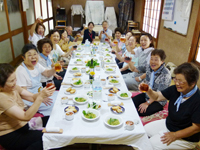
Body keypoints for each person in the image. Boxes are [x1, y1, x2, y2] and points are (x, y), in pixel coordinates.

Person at [143, 62, 200, 150]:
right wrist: (148, 90)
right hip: (170, 124)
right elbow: (157, 97)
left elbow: (196, 128)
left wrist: (175, 135)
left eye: (180, 81)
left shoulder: (197, 100)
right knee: (144, 130)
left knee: (152, 144)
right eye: (176, 79)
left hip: (186, 138)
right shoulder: (176, 89)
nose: (177, 83)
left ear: (192, 83)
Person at [0, 63, 55, 150]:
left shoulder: (13, 88)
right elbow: (25, 117)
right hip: (11, 135)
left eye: (15, 79)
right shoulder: (2, 98)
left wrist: (43, 93)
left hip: (23, 126)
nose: (15, 83)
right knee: (47, 138)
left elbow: (32, 97)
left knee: (51, 119)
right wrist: (40, 97)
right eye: (11, 81)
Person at [16, 44, 57, 116]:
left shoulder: (36, 65)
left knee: (59, 97)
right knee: (53, 106)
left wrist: (55, 69)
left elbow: (47, 73)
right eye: (29, 55)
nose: (33, 57)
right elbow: (22, 94)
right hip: (30, 100)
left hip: (41, 93)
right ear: (23, 57)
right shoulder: (20, 71)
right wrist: (39, 98)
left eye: (35, 54)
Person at [132, 49, 171, 116]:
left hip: (158, 100)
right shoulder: (149, 67)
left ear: (162, 61)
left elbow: (159, 94)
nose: (153, 62)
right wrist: (128, 61)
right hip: (147, 94)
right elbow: (135, 69)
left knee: (141, 111)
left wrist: (147, 103)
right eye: (151, 59)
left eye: (156, 60)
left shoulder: (166, 74)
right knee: (131, 103)